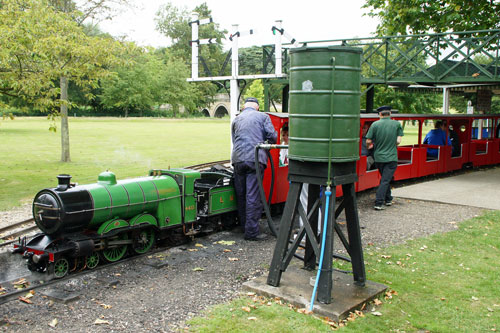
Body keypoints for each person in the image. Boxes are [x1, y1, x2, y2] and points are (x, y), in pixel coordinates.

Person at [231, 97, 277, 241]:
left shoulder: (236, 119)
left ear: (245, 107)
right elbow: (273, 137)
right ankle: (251, 232)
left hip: (238, 159)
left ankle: (245, 226)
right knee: (253, 195)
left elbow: (234, 139)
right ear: (257, 107)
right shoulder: (263, 116)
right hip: (255, 159)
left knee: (241, 194)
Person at [366, 106, 404, 211]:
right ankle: (378, 202)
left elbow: (369, 141)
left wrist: (370, 146)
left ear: (380, 114)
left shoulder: (375, 124)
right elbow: (398, 141)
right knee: (385, 180)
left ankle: (388, 199)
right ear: (390, 113)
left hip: (378, 158)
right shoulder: (396, 124)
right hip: (391, 157)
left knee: (385, 179)